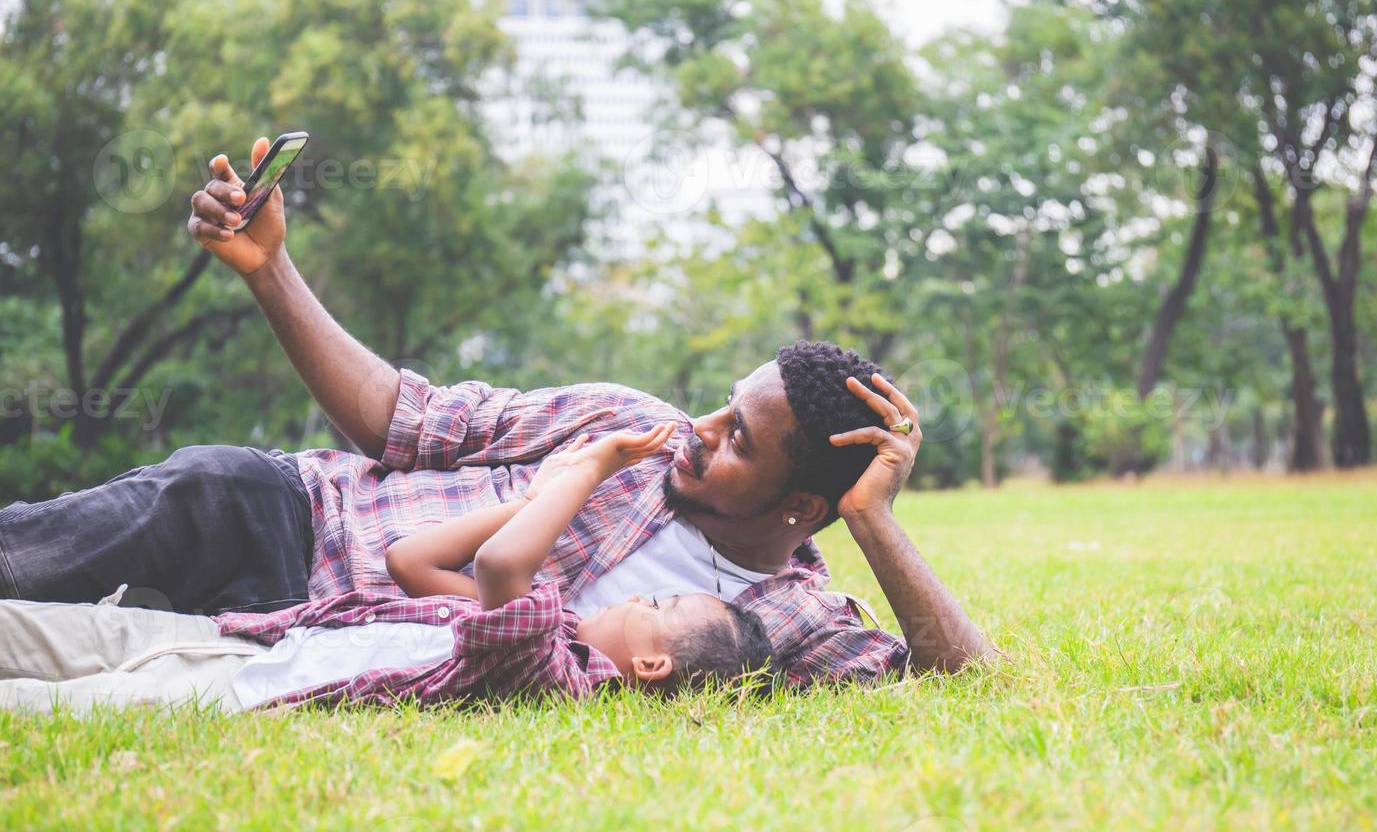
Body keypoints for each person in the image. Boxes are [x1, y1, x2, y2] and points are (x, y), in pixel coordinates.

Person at [0, 134, 996, 687]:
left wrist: (874, 517)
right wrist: (272, 272)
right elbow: (404, 419)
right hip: (277, 514)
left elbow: (966, 685)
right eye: (721, 405)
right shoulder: (624, 423)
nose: (701, 428)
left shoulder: (786, 616)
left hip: (288, 642)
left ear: (803, 508)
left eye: (740, 440)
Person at [0, 424, 773, 714]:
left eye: (660, 603)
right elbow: (411, 561)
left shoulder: (553, 675)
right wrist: (531, 496)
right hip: (256, 637)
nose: (639, 592)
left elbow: (504, 570)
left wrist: (586, 472)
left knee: (51, 700)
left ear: (647, 661)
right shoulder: (552, 630)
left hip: (245, 687)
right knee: (54, 631)